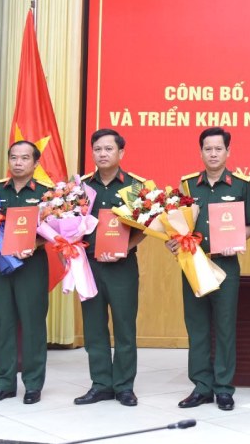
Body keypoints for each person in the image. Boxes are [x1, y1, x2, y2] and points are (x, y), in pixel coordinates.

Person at [176, 127, 250, 411]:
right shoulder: (187, 185)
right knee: (197, 327)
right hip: (193, 263)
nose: (213, 153)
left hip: (226, 264)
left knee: (224, 328)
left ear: (227, 152)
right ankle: (201, 387)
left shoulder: (241, 184)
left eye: (218, 149)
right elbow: (175, 223)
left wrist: (236, 240)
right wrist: (174, 242)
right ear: (201, 152)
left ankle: (223, 388)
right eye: (207, 149)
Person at [75, 129, 145, 407]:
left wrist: (124, 248)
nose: (102, 154)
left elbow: (146, 227)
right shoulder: (80, 186)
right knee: (94, 327)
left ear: (121, 153)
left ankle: (125, 386)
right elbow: (67, 223)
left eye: (108, 149)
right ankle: (101, 384)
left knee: (125, 326)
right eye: (97, 149)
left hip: (121, 266)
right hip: (89, 264)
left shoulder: (135, 186)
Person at [0, 141, 50, 405]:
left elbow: (55, 230)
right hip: (2, 265)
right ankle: (4, 383)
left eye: (24, 158)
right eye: (13, 157)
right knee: (5, 323)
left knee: (33, 325)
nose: (18, 162)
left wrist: (33, 244)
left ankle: (33, 384)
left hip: (32, 266)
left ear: (36, 163)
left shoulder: (48, 194)